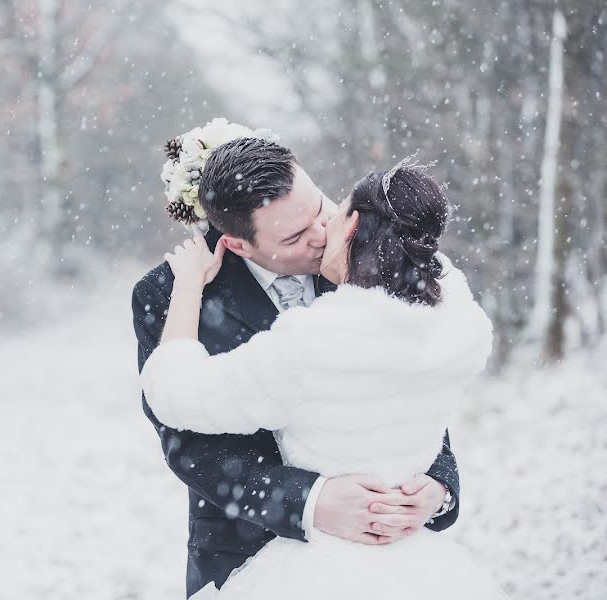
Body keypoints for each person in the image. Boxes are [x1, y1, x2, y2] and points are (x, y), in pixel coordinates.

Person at [139, 151, 507, 599]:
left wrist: (437, 487)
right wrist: (309, 501)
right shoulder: (171, 291)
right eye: (295, 236)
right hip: (250, 557)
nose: (322, 234)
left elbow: (410, 385)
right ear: (238, 244)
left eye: (320, 208)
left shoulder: (369, 252)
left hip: (398, 561)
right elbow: (189, 445)